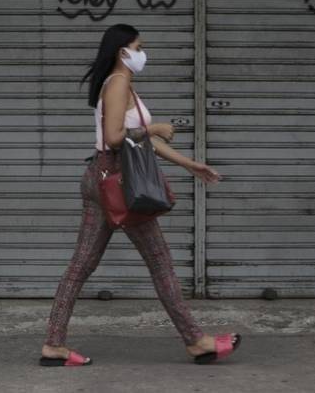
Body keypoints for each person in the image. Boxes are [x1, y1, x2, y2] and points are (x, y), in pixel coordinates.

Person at [38, 23, 242, 367]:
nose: (142, 53)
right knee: (160, 263)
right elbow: (118, 137)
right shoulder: (118, 84)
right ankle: (196, 341)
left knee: (80, 266)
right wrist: (155, 126)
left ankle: (53, 344)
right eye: (139, 46)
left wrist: (190, 164)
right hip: (119, 182)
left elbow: (139, 143)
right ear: (123, 52)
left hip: (103, 177)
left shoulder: (122, 85)